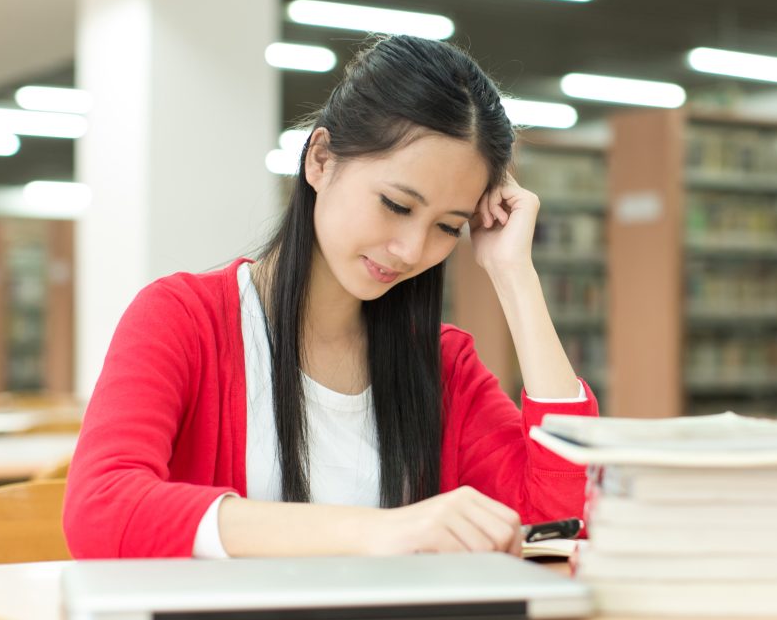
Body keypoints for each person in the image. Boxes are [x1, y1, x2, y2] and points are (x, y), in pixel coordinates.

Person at [62, 35, 599, 560]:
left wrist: (515, 276)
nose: (411, 250)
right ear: (320, 159)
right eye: (395, 204)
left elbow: (560, 524)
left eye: (447, 227)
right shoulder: (184, 319)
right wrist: (375, 532)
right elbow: (100, 510)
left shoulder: (442, 365)